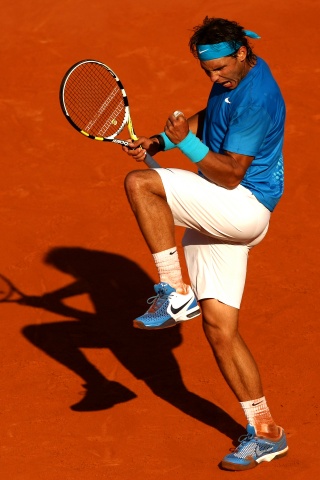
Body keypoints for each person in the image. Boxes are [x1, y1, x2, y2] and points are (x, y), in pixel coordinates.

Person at [122, 17, 288, 471]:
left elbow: (230, 172)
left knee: (142, 184)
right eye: (207, 71)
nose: (215, 78)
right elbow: (212, 114)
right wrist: (162, 140)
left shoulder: (258, 96)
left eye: (220, 69)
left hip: (240, 205)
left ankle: (175, 293)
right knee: (219, 329)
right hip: (223, 211)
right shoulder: (238, 74)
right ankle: (267, 431)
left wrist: (188, 146)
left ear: (240, 52)